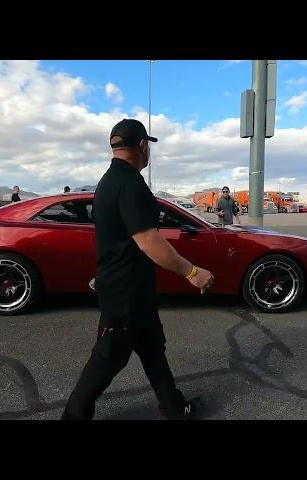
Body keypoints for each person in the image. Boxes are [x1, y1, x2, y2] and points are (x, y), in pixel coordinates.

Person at [62, 119, 214, 420]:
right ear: (143, 146)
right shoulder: (131, 185)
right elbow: (148, 240)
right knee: (106, 359)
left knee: (153, 350)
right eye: (148, 146)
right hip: (125, 295)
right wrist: (193, 272)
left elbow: (113, 236)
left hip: (133, 290)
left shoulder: (107, 183)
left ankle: (174, 408)